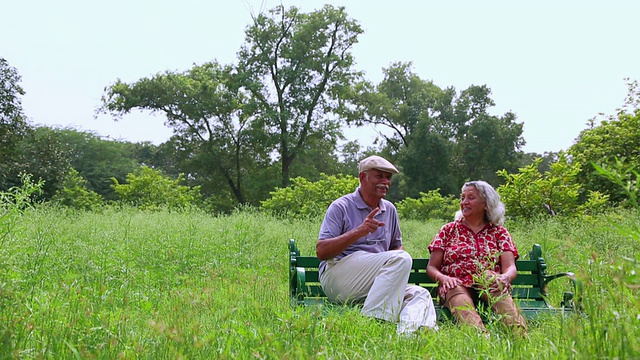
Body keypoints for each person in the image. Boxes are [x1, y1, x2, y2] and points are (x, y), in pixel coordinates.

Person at [316, 155, 438, 336]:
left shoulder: (389, 209)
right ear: (363, 178)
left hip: (373, 286)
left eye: (388, 178)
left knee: (420, 294)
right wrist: (360, 231)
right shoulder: (341, 206)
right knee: (401, 258)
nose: (385, 182)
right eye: (379, 176)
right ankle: (374, 326)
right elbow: (322, 251)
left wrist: (393, 267)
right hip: (338, 279)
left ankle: (405, 338)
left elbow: (397, 247)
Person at [426, 180, 527, 334]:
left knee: (492, 280)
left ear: (486, 203)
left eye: (471, 198)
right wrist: (443, 278)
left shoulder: (499, 232)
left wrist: (505, 277)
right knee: (454, 290)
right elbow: (432, 267)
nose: (464, 202)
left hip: (488, 284)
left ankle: (520, 337)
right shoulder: (448, 230)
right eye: (462, 198)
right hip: (456, 284)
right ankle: (480, 341)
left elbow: (510, 267)